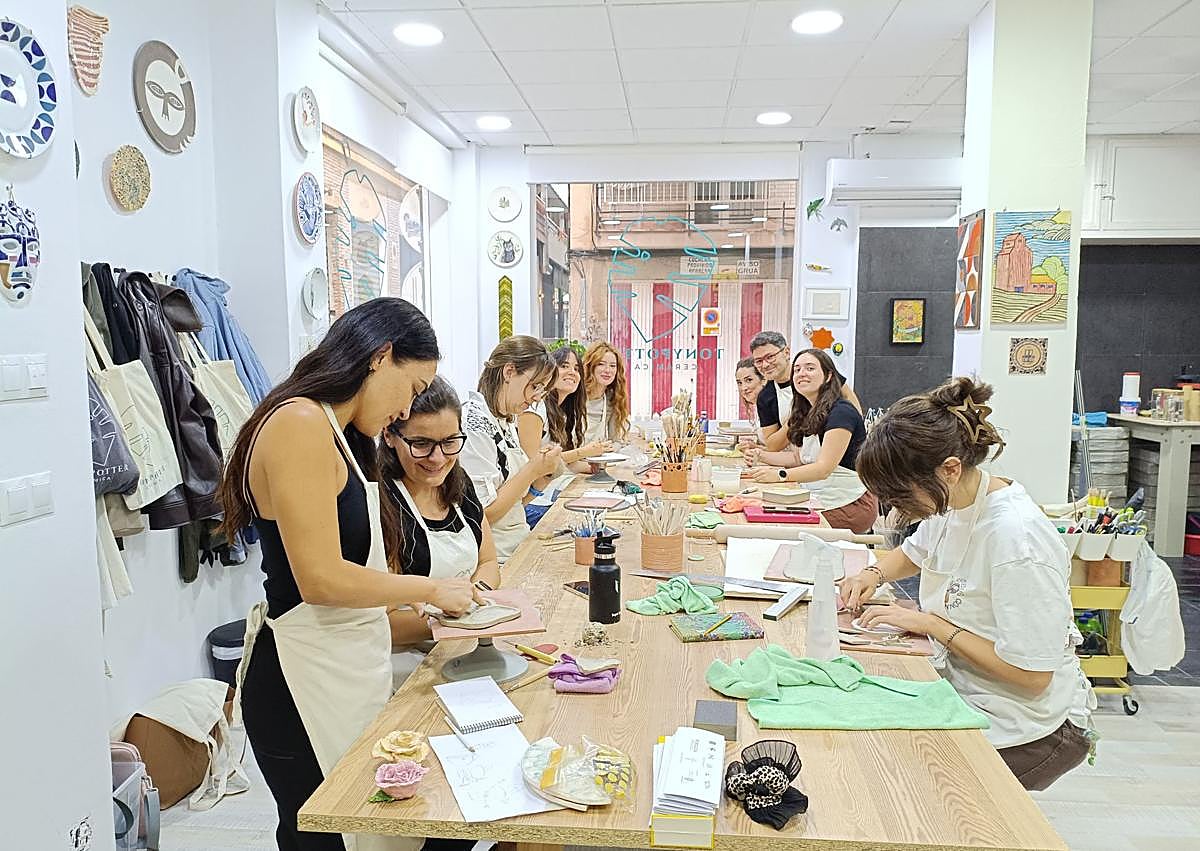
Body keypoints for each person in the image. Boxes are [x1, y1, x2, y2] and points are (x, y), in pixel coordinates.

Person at [220, 298, 479, 851]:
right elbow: (321, 579)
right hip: (298, 677)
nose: (406, 410)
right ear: (380, 357)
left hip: (344, 662)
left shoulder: (344, 437)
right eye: (411, 389)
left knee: (376, 831)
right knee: (324, 836)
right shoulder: (297, 423)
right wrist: (431, 589)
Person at [840, 377, 1095, 792]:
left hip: (1032, 726)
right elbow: (915, 553)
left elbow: (1032, 675)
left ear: (950, 468)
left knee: (897, 782)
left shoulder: (1016, 539)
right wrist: (872, 574)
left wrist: (933, 624)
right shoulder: (953, 501)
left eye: (901, 495)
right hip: (970, 686)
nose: (898, 508)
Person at [379, 376, 500, 687]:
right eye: (420, 444)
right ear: (390, 435)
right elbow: (384, 623)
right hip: (404, 666)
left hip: (459, 645)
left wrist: (475, 601)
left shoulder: (459, 483)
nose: (438, 458)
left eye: (450, 442)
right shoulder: (382, 504)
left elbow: (487, 561)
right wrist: (447, 616)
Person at [743, 349, 878, 533]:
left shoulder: (842, 412)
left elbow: (823, 468)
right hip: (819, 494)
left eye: (810, 368)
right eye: (797, 370)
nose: (801, 374)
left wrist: (780, 475)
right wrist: (761, 455)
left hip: (850, 502)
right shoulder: (806, 412)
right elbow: (798, 459)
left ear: (829, 376)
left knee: (777, 527)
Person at [460, 335, 561, 564]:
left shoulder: (506, 421)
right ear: (509, 372)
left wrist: (539, 483)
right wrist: (532, 471)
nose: (536, 398)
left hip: (518, 545)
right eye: (535, 386)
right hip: (495, 560)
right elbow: (483, 514)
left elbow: (513, 505)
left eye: (542, 390)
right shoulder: (473, 424)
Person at [746, 331, 861, 452]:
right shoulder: (766, 397)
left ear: (786, 352)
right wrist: (798, 414)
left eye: (770, 357)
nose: (765, 365)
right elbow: (772, 445)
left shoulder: (839, 404)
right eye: (759, 361)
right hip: (800, 457)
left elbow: (850, 403)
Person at [518, 345, 613, 487]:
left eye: (576, 369)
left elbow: (563, 464)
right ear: (548, 371)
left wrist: (592, 467)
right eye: (564, 366)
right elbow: (534, 465)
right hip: (536, 501)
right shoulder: (534, 408)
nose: (572, 372)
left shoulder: (563, 413)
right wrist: (584, 452)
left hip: (553, 491)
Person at [582, 341, 630, 444]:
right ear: (591, 366)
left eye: (612, 366)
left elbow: (616, 440)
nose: (608, 370)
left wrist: (610, 448)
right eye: (601, 364)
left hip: (598, 458)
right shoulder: (575, 396)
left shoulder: (612, 399)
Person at [735, 357, 766, 427]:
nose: (743, 388)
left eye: (749, 380)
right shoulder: (759, 407)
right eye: (739, 383)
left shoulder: (774, 407)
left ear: (764, 379)